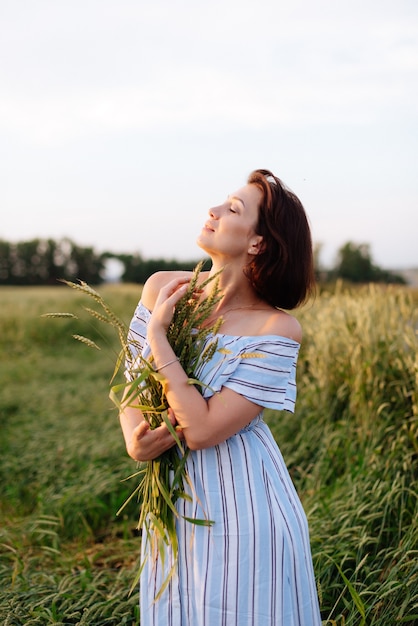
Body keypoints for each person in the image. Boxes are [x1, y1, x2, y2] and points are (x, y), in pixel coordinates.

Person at [119, 169, 322, 625]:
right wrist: (134, 437)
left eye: (233, 209)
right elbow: (132, 381)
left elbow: (205, 429)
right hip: (173, 502)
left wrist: (159, 336)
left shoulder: (276, 328)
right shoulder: (162, 288)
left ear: (258, 243)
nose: (212, 210)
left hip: (246, 504)